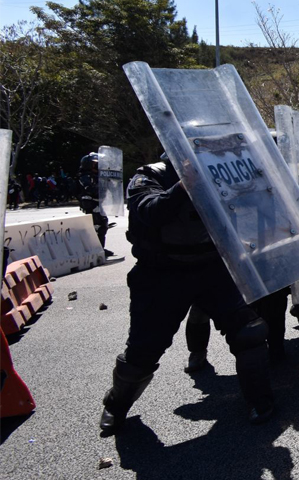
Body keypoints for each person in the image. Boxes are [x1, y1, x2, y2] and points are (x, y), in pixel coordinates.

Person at [99, 157, 274, 434]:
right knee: (143, 353)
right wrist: (187, 183)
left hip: (212, 268)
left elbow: (253, 211)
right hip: (162, 274)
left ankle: (260, 400)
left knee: (249, 332)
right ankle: (116, 405)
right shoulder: (150, 176)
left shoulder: (222, 171)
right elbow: (151, 211)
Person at [78, 152, 114, 257]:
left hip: (98, 203)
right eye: (95, 164)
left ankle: (100, 248)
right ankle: (95, 249)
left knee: (103, 224)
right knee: (96, 225)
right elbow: (90, 189)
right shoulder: (85, 177)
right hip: (90, 203)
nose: (98, 166)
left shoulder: (97, 176)